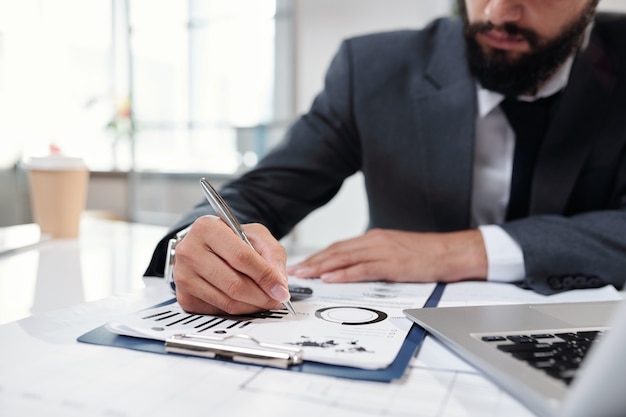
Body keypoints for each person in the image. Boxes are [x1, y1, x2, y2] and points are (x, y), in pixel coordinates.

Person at [145, 0, 626, 316]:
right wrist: (193, 248)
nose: (497, 10)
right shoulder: (373, 71)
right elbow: (261, 191)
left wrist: (465, 250)